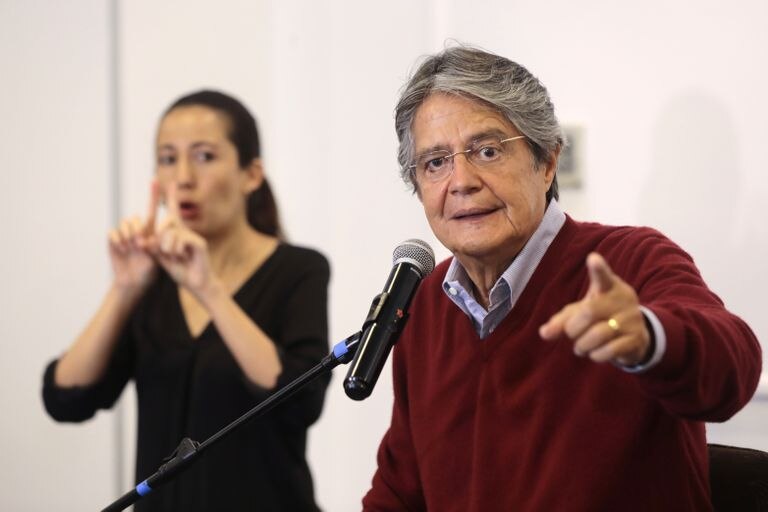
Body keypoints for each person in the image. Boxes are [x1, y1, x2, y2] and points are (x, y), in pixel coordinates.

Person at [362, 46, 762, 511]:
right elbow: (399, 491)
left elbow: (734, 370)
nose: (461, 180)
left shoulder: (627, 262)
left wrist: (648, 339)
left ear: (547, 160)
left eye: (487, 151)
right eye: (435, 163)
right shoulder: (427, 303)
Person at [42, 90, 330, 511]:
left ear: (251, 175)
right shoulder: (151, 282)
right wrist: (125, 288)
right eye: (167, 158)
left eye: (204, 156)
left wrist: (208, 289)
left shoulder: (298, 269)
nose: (183, 178)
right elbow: (67, 398)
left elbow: (299, 400)